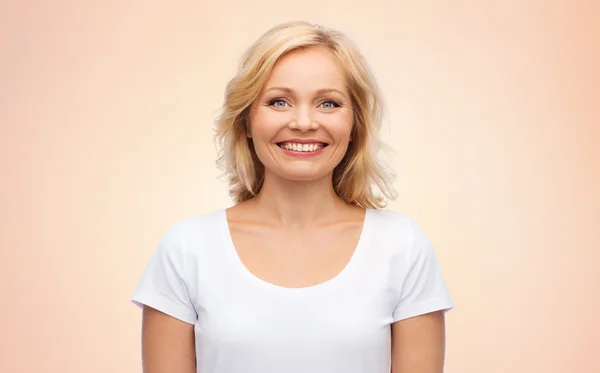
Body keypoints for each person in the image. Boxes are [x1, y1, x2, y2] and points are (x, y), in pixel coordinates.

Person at [131, 21, 454, 373]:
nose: (303, 122)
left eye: (328, 103)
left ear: (354, 125)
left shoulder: (401, 246)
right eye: (279, 101)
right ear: (246, 122)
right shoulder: (186, 249)